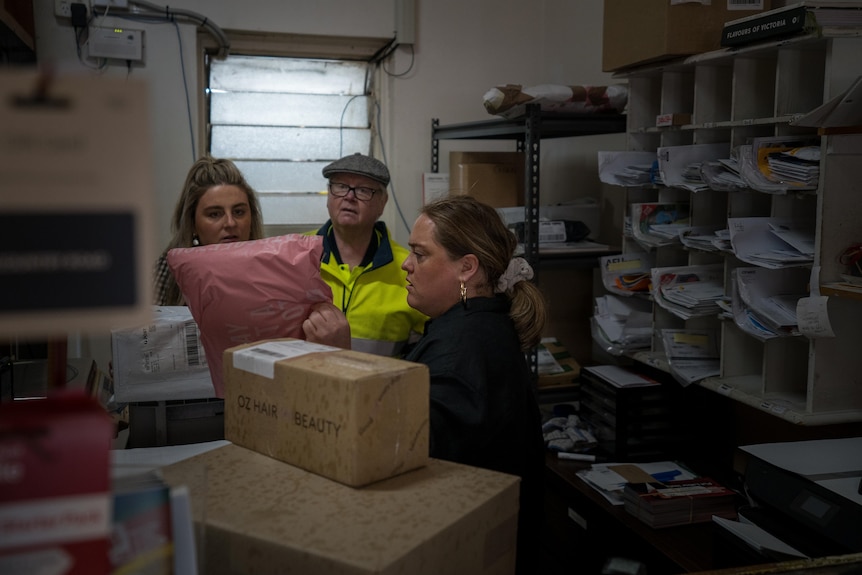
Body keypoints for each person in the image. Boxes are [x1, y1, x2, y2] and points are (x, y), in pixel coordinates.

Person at [401, 195, 547, 574]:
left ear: (467, 268)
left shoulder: (460, 350)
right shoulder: (478, 326)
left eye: (420, 254)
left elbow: (413, 461)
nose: (407, 264)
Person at [310, 152, 427, 356]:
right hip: (302, 383)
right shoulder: (295, 256)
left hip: (380, 386)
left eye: (363, 190)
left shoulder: (410, 268)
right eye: (340, 186)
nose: (349, 196)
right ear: (328, 195)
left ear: (383, 202)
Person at [152, 156, 264, 306]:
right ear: (192, 223)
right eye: (214, 214)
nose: (230, 223)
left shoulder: (272, 268)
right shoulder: (168, 272)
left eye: (238, 212)